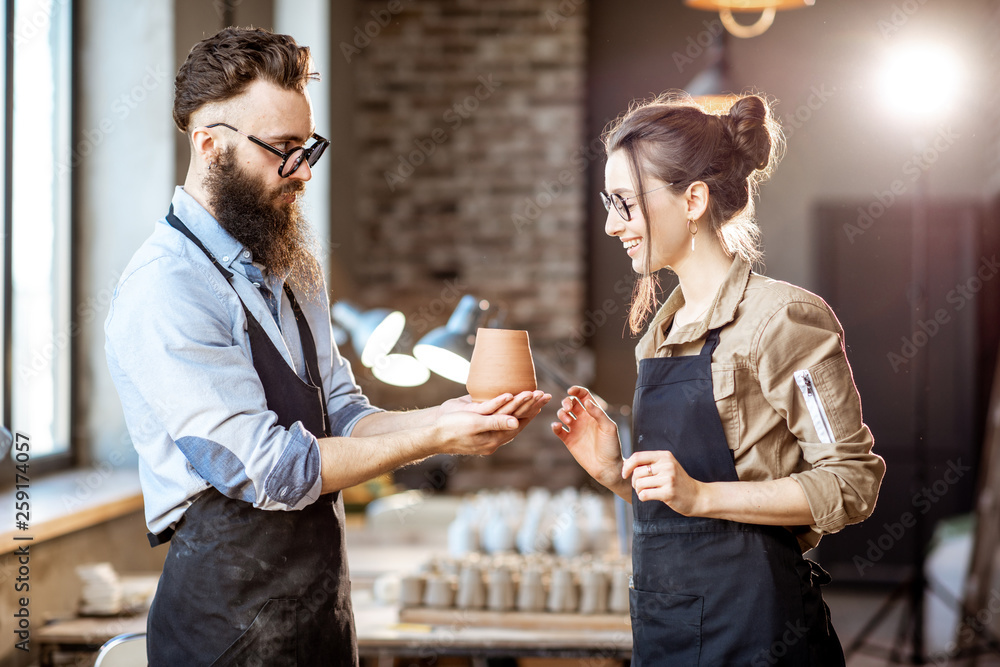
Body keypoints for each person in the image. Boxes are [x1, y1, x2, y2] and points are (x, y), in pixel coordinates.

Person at [105, 27, 549, 666]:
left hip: (318, 620)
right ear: (210, 146)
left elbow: (342, 414)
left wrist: (450, 416)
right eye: (282, 149)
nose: (303, 170)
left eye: (308, 146)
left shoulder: (291, 267)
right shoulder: (167, 288)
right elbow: (270, 471)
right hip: (223, 631)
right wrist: (431, 440)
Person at [551, 93, 885, 665]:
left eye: (625, 204)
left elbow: (851, 484)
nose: (611, 225)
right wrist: (615, 474)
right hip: (668, 626)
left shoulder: (782, 320)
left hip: (759, 631)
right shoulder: (660, 332)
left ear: (694, 199)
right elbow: (685, 515)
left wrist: (702, 494)